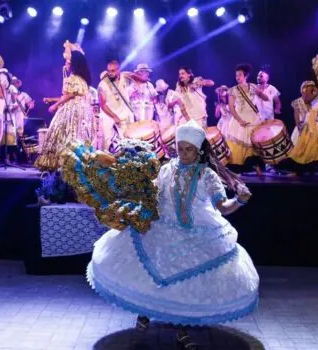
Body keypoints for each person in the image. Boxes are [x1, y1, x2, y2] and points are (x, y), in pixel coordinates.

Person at [85, 120, 259, 349]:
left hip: (200, 233)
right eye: (180, 149)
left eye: (189, 150)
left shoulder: (207, 176)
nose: (184, 154)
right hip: (163, 227)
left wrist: (239, 201)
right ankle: (145, 311)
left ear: (198, 150)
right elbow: (152, 197)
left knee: (183, 284)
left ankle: (182, 330)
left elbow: (223, 207)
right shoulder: (167, 169)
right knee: (148, 271)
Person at [34, 43, 94, 171]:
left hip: (71, 110)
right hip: (83, 110)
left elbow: (70, 95)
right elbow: (74, 94)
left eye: (68, 62)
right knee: (78, 135)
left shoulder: (71, 78)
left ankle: (63, 162)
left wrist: (55, 105)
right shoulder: (83, 79)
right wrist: (52, 99)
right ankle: (78, 161)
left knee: (63, 133)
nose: (66, 65)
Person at [227, 63, 264, 176]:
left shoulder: (253, 86)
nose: (237, 77)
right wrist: (239, 120)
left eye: (239, 75)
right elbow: (231, 107)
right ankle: (238, 169)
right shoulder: (233, 90)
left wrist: (261, 93)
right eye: (236, 75)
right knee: (239, 146)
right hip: (240, 120)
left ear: (245, 76)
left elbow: (265, 97)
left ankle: (256, 166)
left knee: (253, 145)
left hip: (253, 119)